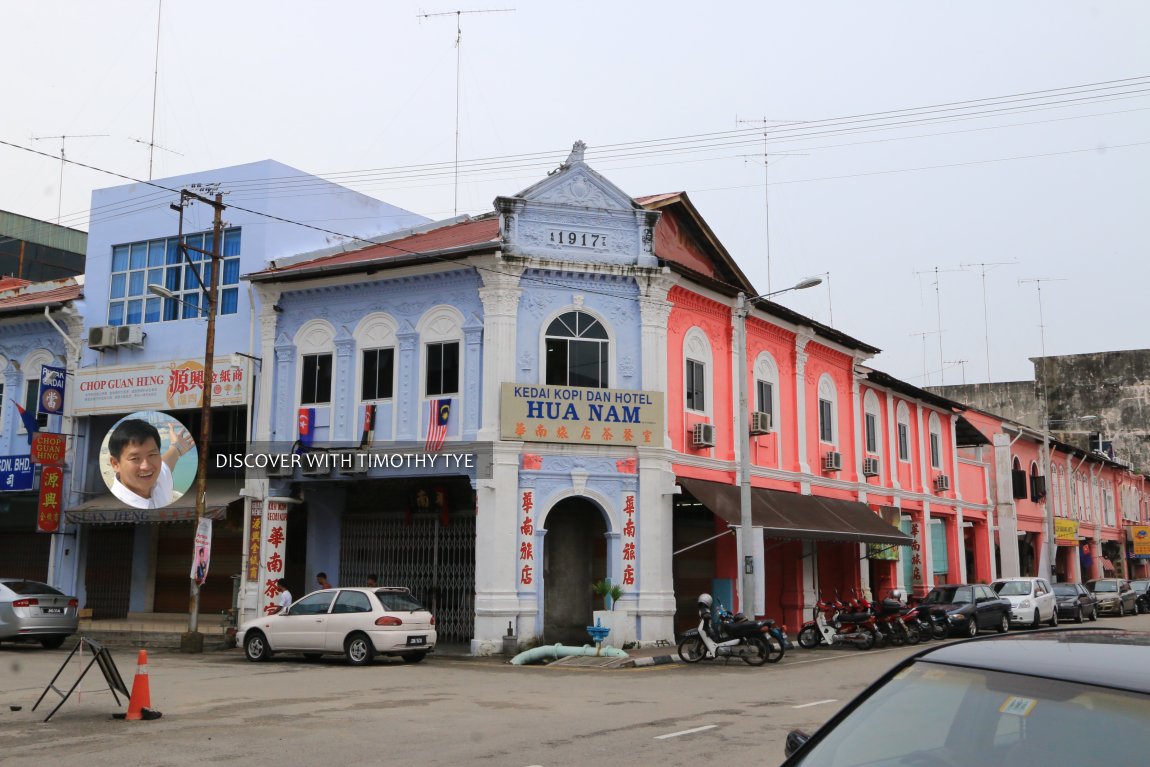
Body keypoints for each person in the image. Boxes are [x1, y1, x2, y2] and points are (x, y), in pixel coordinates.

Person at [108, 419, 193, 509]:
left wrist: (177, 447)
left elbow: (167, 462)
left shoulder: (159, 479)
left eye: (152, 454)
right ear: (115, 464)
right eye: (135, 458)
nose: (146, 466)